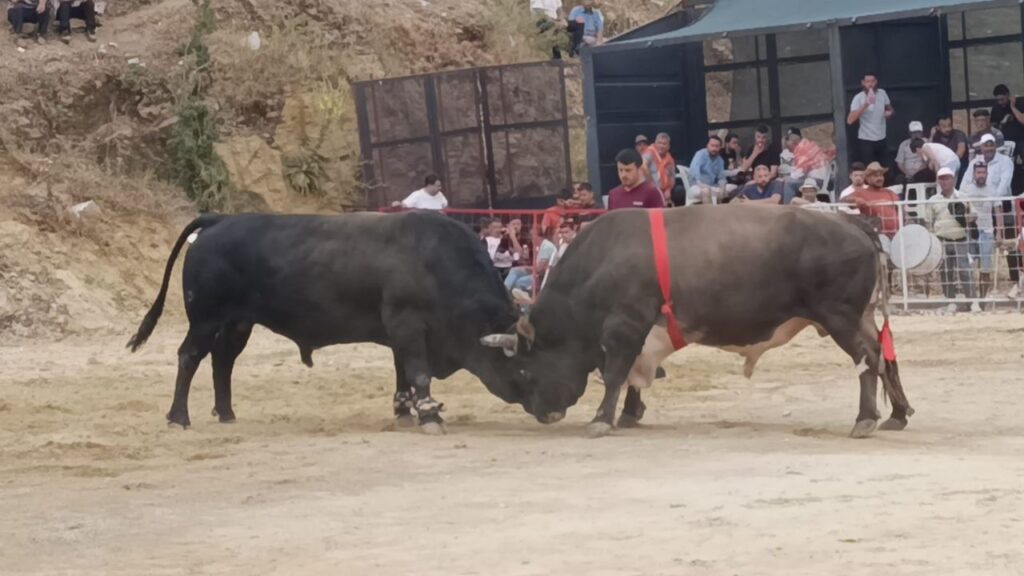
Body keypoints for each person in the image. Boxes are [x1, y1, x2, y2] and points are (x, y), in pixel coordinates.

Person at [925, 167, 977, 312]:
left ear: (953, 180)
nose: (945, 181)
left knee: (965, 270)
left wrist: (964, 217)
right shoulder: (933, 200)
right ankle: (951, 301)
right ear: (938, 181)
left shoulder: (963, 197)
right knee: (946, 271)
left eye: (947, 178)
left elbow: (974, 215)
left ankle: (972, 300)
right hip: (942, 240)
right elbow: (928, 221)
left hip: (960, 239)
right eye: (942, 178)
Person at [961, 162, 1002, 302]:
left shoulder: (992, 191)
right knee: (968, 267)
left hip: (987, 232)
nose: (981, 175)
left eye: (983, 173)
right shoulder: (966, 190)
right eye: (978, 172)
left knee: (985, 268)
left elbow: (998, 212)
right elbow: (961, 211)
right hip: (970, 232)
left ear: (987, 174)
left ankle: (983, 300)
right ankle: (972, 298)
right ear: (973, 174)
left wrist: (999, 233)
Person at [842, 162, 901, 238]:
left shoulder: (890, 192)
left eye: (881, 175)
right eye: (876, 176)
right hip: (875, 236)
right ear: (868, 179)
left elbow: (901, 211)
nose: (880, 178)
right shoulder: (861, 192)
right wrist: (856, 200)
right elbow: (843, 200)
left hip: (897, 235)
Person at [847, 74, 894, 165]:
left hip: (881, 138)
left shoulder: (882, 93)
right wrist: (865, 104)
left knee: (887, 168)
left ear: (876, 82)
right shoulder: (858, 98)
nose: (870, 84)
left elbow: (890, 109)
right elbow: (850, 120)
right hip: (866, 140)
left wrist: (890, 113)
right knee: (870, 169)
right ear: (863, 83)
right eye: (867, 82)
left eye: (872, 81)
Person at [780, 129, 833, 204]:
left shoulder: (802, 149)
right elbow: (800, 169)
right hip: (815, 178)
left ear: (793, 141)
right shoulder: (806, 144)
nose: (785, 144)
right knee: (788, 180)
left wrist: (785, 178)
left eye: (787, 140)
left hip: (816, 181)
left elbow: (797, 175)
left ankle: (787, 209)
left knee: (788, 184)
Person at [961, 134, 1013, 199]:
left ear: (995, 146)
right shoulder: (974, 162)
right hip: (977, 201)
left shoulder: (1006, 161)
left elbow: (1003, 187)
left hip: (1000, 201)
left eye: (991, 145)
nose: (989, 149)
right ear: (981, 148)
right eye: (986, 146)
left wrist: (992, 202)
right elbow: (965, 184)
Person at [688, 135, 729, 204]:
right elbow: (694, 170)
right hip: (696, 184)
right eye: (712, 145)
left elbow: (721, 177)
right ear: (707, 145)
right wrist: (700, 184)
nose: (714, 148)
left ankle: (720, 212)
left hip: (711, 185)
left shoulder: (720, 160)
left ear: (720, 147)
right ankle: (709, 213)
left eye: (717, 146)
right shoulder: (700, 154)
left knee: (726, 190)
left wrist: (722, 188)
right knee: (706, 191)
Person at [642, 132, 678, 205]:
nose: (661, 146)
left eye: (664, 144)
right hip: (649, 189)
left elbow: (672, 177)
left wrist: (669, 189)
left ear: (668, 146)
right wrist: (652, 185)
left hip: (664, 191)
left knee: (679, 192)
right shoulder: (650, 152)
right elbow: (643, 166)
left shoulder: (670, 159)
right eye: (659, 143)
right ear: (655, 143)